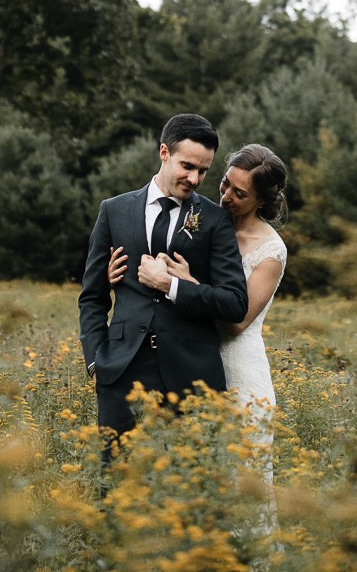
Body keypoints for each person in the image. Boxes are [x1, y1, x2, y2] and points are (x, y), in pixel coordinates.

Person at [114, 143, 289, 504]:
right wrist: (113, 273)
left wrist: (187, 285)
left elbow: (236, 322)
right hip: (190, 364)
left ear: (260, 201)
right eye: (225, 184)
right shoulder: (203, 222)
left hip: (239, 371)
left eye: (239, 194)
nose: (225, 197)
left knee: (241, 487)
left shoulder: (270, 252)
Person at [77, 113, 248, 450]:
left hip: (192, 376)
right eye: (187, 166)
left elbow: (234, 303)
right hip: (121, 370)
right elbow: (92, 297)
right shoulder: (114, 210)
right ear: (164, 153)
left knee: (188, 489)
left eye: (203, 171)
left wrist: (173, 286)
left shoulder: (214, 220)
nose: (195, 178)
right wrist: (96, 361)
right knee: (116, 485)